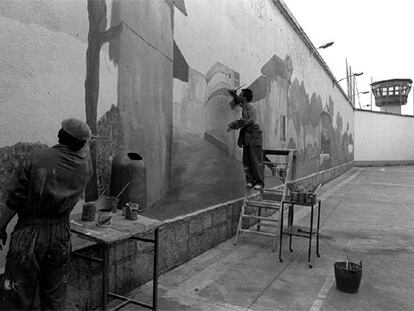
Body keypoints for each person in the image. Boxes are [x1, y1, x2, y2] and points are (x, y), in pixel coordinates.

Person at [0, 118, 93, 310]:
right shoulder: (85, 166)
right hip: (61, 237)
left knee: (17, 296)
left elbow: (13, 200)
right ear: (82, 143)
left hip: (29, 235)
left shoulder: (37, 157)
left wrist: (1, 226)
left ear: (60, 135)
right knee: (55, 298)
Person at [228, 88, 264, 190]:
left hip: (254, 135)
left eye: (241, 94)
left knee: (255, 159)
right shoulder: (244, 106)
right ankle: (250, 180)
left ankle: (259, 182)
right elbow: (238, 101)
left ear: (245, 97)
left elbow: (252, 120)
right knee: (246, 160)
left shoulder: (251, 107)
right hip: (248, 135)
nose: (239, 96)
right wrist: (234, 95)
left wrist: (239, 124)